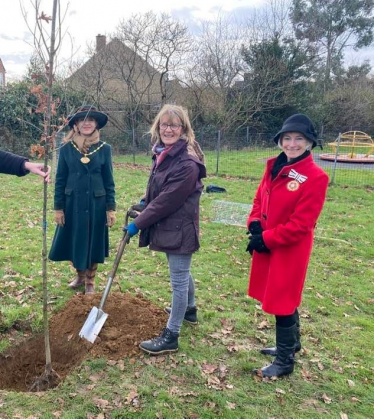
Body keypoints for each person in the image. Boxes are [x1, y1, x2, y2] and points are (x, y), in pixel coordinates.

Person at [246, 114, 329, 378]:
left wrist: (267, 239)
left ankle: (285, 361)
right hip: (269, 244)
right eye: (287, 138)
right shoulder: (274, 167)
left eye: (299, 139)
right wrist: (255, 224)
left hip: (289, 249)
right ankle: (292, 344)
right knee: (283, 295)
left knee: (283, 298)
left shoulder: (316, 177)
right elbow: (259, 199)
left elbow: (302, 224)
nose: (292, 144)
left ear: (310, 143)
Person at [124, 104, 206, 355]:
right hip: (172, 226)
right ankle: (189, 310)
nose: (168, 129)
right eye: (164, 124)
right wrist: (143, 201)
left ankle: (172, 335)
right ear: (157, 128)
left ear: (183, 129)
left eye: (174, 125)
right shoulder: (164, 153)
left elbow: (167, 200)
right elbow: (159, 190)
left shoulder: (187, 163)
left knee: (178, 280)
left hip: (179, 227)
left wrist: (138, 224)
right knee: (182, 271)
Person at [48, 105, 116, 294]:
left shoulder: (104, 149)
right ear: (76, 124)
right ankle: (79, 275)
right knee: (74, 240)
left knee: (93, 241)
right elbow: (60, 179)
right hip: (72, 204)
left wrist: (111, 208)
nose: (87, 123)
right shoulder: (67, 149)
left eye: (91, 120)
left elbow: (109, 181)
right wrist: (58, 208)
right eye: (82, 119)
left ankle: (90, 281)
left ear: (96, 125)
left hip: (96, 204)